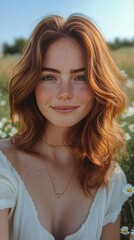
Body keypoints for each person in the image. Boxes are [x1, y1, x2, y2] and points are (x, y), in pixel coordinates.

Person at [0, 13, 129, 240]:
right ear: (31, 84)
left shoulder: (111, 179)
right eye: (49, 77)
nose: (65, 93)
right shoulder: (4, 165)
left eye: (80, 77)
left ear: (98, 84)